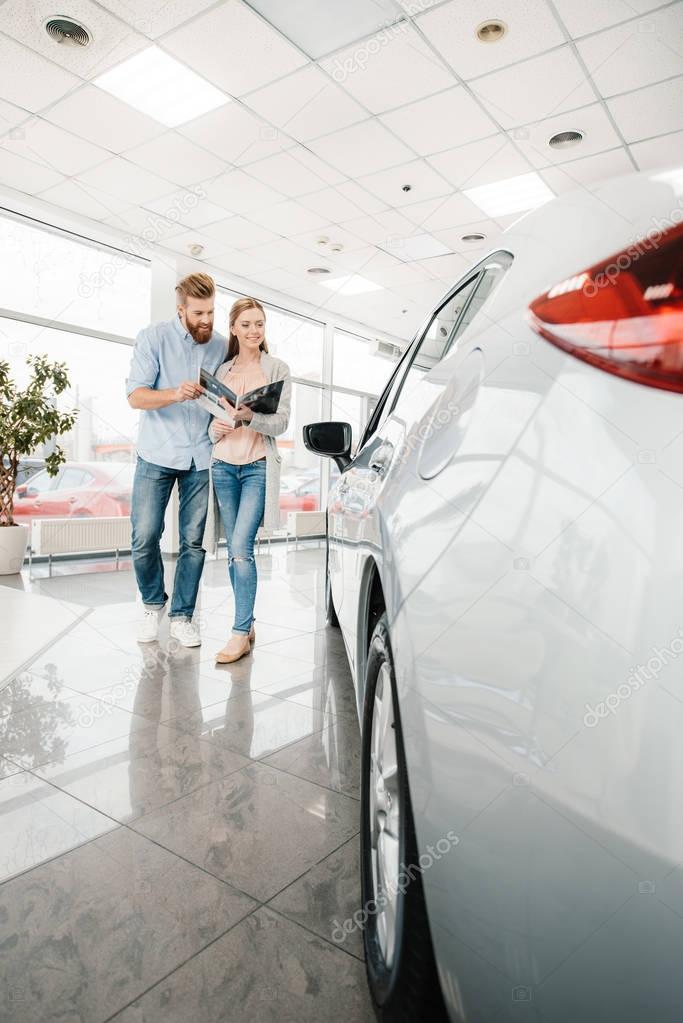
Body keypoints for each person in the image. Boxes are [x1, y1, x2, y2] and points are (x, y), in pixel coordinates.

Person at [126, 272, 226, 646]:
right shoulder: (153, 338)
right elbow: (136, 397)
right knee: (144, 536)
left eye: (211, 312)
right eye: (198, 313)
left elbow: (224, 396)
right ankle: (153, 606)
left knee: (193, 543)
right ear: (181, 309)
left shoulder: (218, 346)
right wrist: (173, 393)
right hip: (156, 453)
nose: (206, 320)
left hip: (200, 455)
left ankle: (183, 615)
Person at [204, 296, 291, 664]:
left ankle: (239, 632)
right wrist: (217, 427)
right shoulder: (222, 372)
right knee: (234, 550)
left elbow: (282, 422)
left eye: (260, 324)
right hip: (223, 465)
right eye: (247, 324)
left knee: (242, 545)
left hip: (256, 466)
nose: (254, 331)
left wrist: (248, 417)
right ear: (234, 328)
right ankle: (247, 623)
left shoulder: (277, 368)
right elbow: (209, 424)